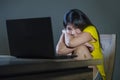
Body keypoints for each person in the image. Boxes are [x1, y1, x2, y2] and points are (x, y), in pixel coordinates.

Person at [56, 9, 106, 80]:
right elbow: (59, 51)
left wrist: (65, 33)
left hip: (96, 77)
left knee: (81, 48)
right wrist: (65, 32)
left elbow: (71, 43)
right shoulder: (70, 36)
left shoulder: (90, 29)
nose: (73, 32)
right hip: (80, 76)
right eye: (69, 28)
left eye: (76, 28)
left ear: (82, 24)